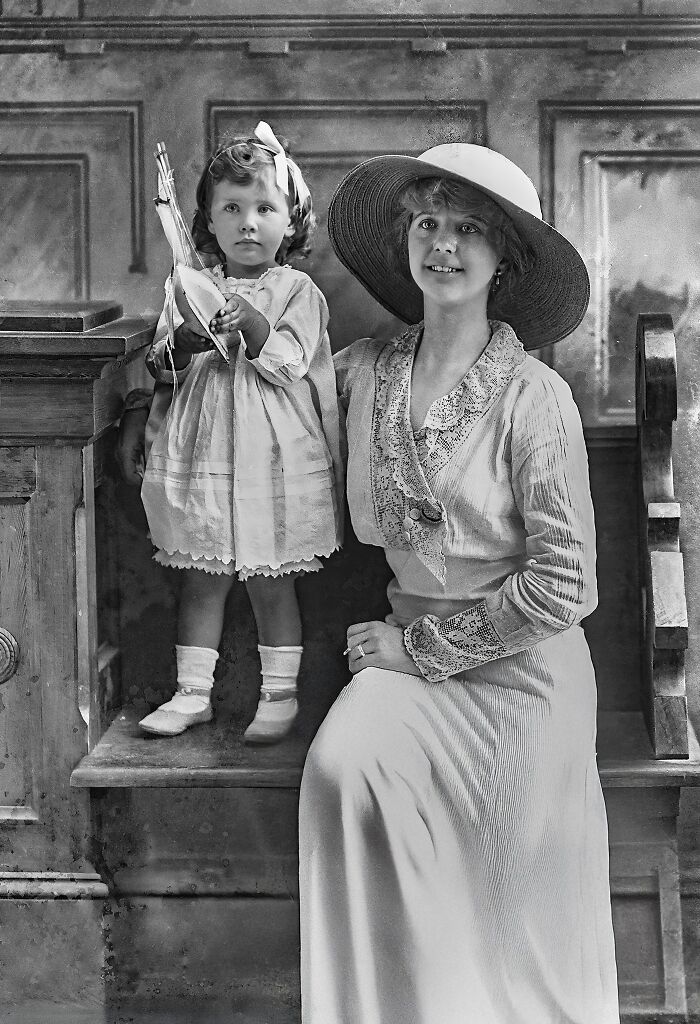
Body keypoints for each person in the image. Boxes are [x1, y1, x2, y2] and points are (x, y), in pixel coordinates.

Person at [298, 144, 619, 1023]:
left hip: (523, 671)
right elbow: (267, 429)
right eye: (427, 224)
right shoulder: (362, 373)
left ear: (503, 259)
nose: (442, 246)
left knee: (512, 883)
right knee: (342, 771)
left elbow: (563, 586)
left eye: (468, 229)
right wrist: (160, 408)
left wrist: (419, 649)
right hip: (405, 661)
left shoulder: (535, 397)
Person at [136, 122, 343, 743]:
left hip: (270, 453)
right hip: (204, 450)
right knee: (203, 576)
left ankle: (279, 695)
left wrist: (254, 328)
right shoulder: (188, 285)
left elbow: (289, 364)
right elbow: (161, 367)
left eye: (264, 208)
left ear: (290, 220)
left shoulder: (296, 290)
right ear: (208, 219)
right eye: (232, 208)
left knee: (271, 580)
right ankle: (192, 692)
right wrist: (184, 341)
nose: (248, 222)